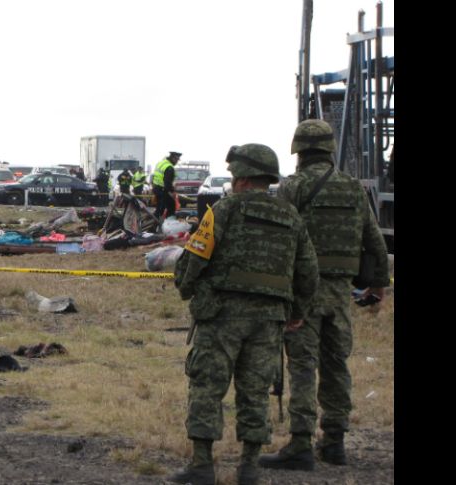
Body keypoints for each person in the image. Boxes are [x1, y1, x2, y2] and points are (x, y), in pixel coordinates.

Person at [168, 143, 319, 485]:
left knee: (207, 387)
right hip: (269, 320)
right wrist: (297, 312)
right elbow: (308, 272)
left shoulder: (224, 209)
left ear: (243, 178)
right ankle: (249, 468)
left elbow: (195, 258)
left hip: (222, 316)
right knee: (255, 392)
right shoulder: (290, 216)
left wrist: (186, 287)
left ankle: (202, 466)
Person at [258, 119, 390, 471]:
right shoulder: (352, 188)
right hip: (340, 293)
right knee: (336, 366)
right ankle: (334, 442)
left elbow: (277, 237)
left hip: (303, 293)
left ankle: (300, 444)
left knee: (303, 365)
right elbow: (374, 240)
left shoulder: (294, 186)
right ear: (330, 149)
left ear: (299, 151)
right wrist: (378, 285)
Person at [153, 151, 180, 219]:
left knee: (160, 207)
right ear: (173, 158)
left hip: (156, 188)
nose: (177, 162)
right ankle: (168, 221)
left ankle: (156, 220)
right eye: (177, 160)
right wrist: (172, 192)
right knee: (171, 206)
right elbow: (167, 183)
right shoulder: (169, 167)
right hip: (163, 189)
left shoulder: (161, 163)